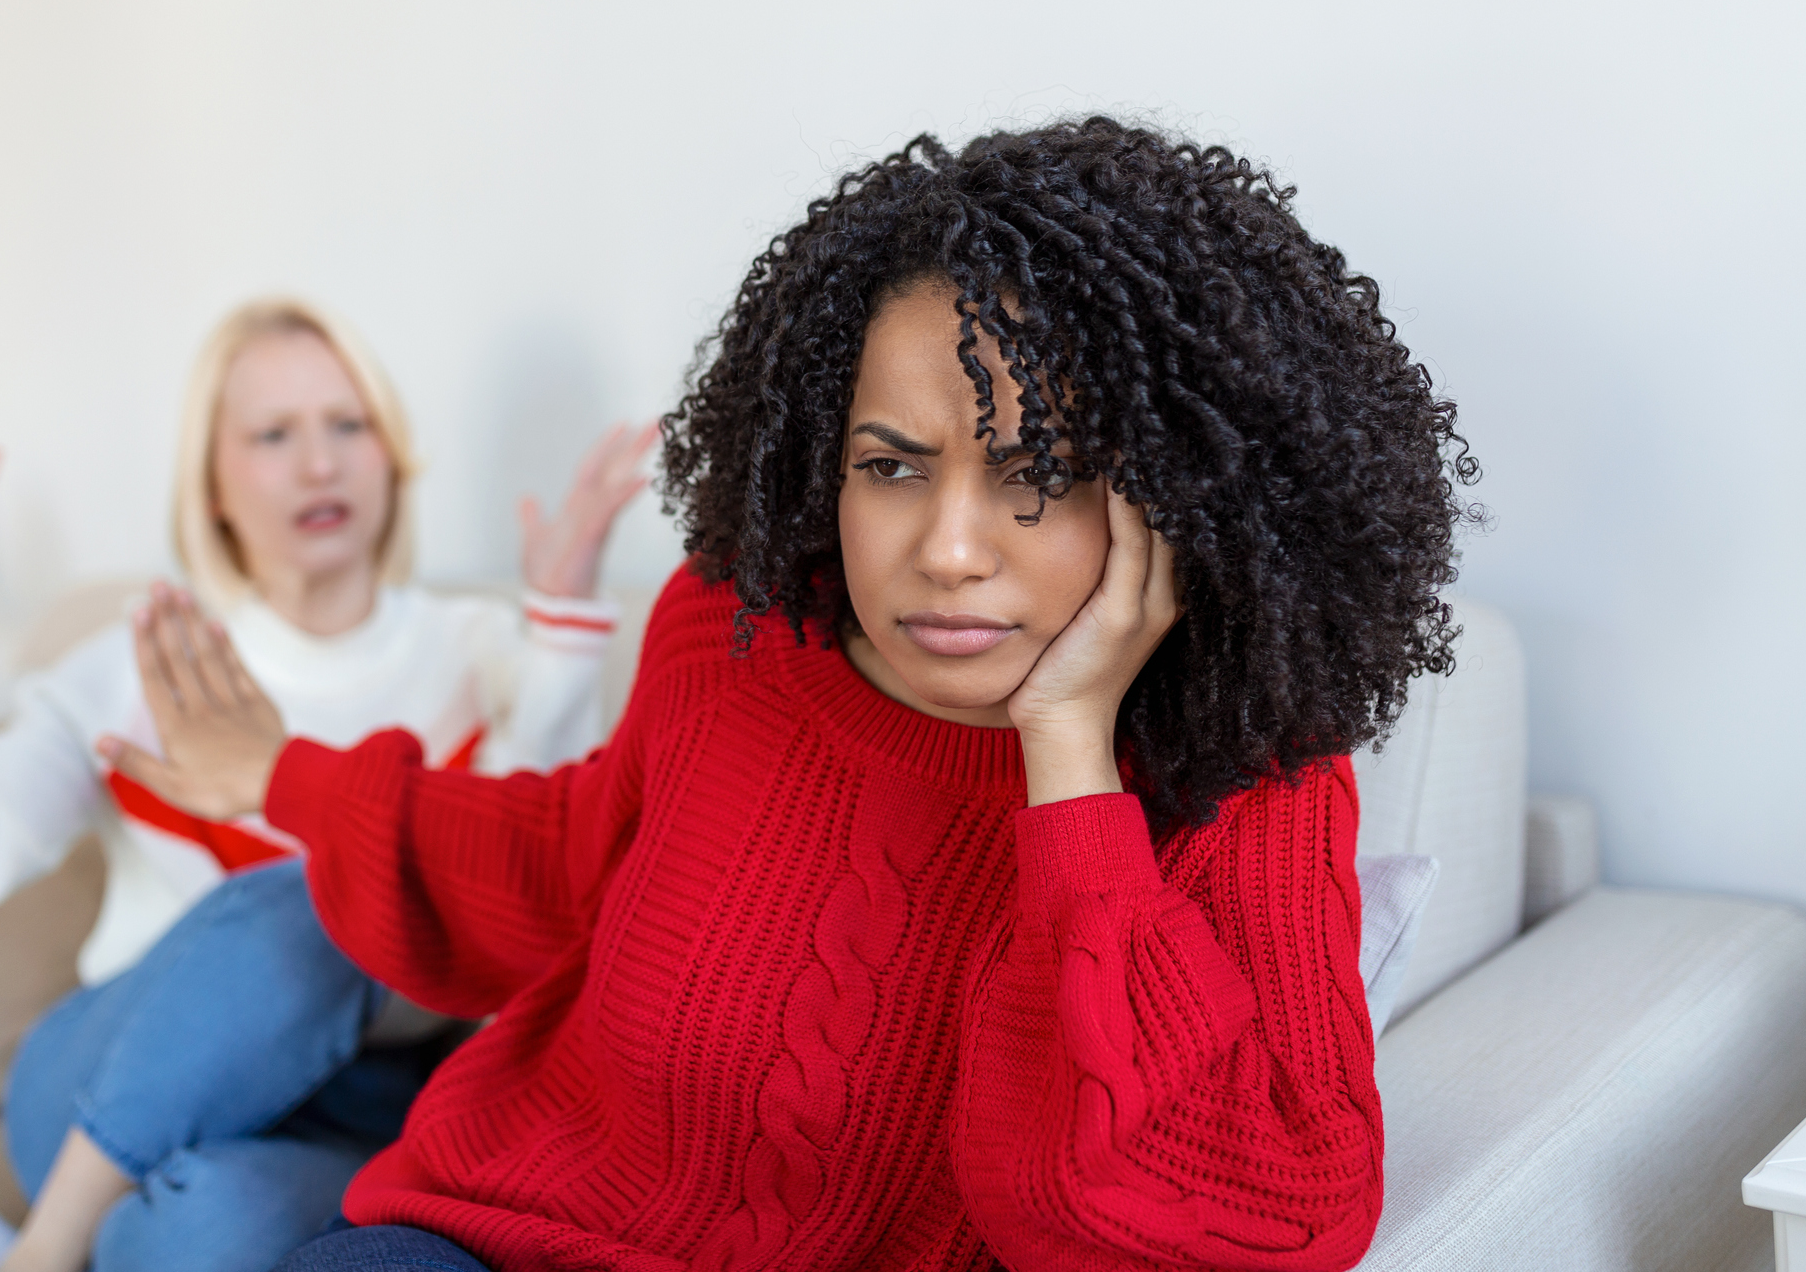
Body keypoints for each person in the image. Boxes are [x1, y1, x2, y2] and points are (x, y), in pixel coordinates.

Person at [108, 118, 1477, 1272]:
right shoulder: (731, 627)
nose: (948, 547)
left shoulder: (1253, 773)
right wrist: (280, 774)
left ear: (1173, 497)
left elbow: (1251, 1215)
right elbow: (570, 855)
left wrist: (1070, 759)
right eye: (891, 466)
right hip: (495, 1241)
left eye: (1039, 474)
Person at [0, 298, 656, 1272]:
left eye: (349, 424)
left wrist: (562, 644)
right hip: (98, 1079)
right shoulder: (136, 660)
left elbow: (534, 915)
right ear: (212, 488)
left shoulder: (483, 652)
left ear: (391, 457)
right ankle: (47, 1248)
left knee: (213, 1231)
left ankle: (25, 1254)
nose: (320, 464)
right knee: (324, 889)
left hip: (356, 1107)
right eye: (273, 435)